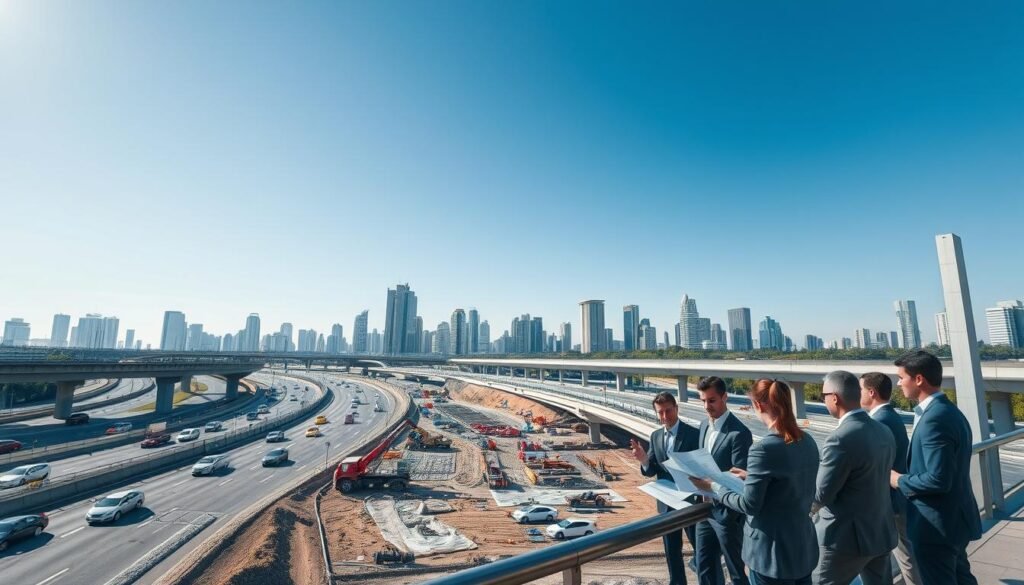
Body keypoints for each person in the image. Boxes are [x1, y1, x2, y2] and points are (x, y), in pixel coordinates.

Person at [691, 379, 819, 585]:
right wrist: (751, 477)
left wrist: (714, 486)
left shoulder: (764, 448)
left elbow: (749, 504)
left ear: (758, 405)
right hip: (802, 548)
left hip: (771, 555)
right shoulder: (807, 441)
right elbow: (788, 483)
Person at [890, 350, 981, 585]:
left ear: (918, 379)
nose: (899, 383)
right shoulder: (949, 411)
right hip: (953, 521)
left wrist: (898, 480)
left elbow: (938, 479)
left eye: (902, 377)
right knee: (962, 578)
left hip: (935, 527)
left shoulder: (934, 419)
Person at [812, 371, 896, 585]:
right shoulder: (884, 430)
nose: (824, 401)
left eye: (824, 396)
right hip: (880, 532)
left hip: (844, 541)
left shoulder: (839, 439)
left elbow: (821, 494)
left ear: (834, 398)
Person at [630, 391, 700, 585]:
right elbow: (651, 469)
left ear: (676, 409)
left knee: (700, 549)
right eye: (660, 412)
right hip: (666, 503)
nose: (664, 416)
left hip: (691, 502)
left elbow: (702, 467)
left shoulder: (693, 434)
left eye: (668, 411)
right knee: (671, 551)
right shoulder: (656, 436)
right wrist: (644, 459)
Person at [860, 371, 921, 585]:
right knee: (902, 553)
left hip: (891, 501)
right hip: (896, 498)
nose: (859, 395)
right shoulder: (890, 415)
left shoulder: (879, 420)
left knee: (905, 556)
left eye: (860, 390)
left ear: (871, 392)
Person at [694, 376, 753, 585]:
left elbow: (740, 476)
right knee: (704, 567)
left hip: (727, 515)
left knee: (736, 572)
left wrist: (713, 482)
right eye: (702, 400)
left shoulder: (739, 433)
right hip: (704, 510)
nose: (706, 406)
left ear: (724, 397)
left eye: (711, 400)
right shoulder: (703, 426)